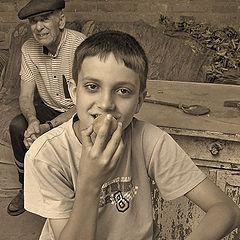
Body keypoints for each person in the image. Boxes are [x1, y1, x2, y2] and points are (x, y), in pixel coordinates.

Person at [24, 30, 240, 240]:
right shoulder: (46, 155)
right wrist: (90, 182)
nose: (106, 104)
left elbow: (226, 210)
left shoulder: (149, 141)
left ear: (139, 101)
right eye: (92, 86)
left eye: (123, 91)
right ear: (73, 91)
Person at [7, 0, 86, 216]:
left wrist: (49, 126)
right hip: (49, 107)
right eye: (33, 21)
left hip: (79, 110)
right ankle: (25, 187)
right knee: (17, 126)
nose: (39, 27)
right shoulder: (29, 49)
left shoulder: (81, 46)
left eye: (45, 19)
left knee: (83, 129)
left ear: (60, 20)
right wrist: (33, 121)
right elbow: (25, 95)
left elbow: (87, 102)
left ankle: (79, 194)